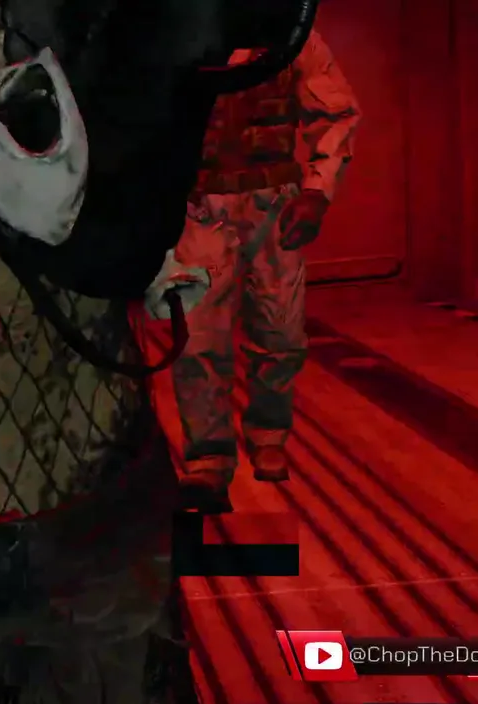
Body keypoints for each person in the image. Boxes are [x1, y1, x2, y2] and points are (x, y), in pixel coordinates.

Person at [173, 29, 361, 513]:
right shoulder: (179, 28)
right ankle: (208, 458)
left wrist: (317, 191)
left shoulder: (292, 33)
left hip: (272, 202)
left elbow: (336, 112)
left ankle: (269, 432)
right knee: (197, 338)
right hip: (198, 205)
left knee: (281, 332)